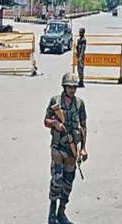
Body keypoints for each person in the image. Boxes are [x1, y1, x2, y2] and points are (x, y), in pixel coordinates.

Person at [43, 73, 88, 224]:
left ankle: (61, 212)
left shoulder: (79, 104)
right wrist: (55, 124)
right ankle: (52, 212)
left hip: (72, 149)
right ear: (64, 87)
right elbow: (46, 121)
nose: (72, 90)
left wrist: (83, 148)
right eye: (70, 87)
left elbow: (83, 126)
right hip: (58, 147)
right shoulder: (55, 101)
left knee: (68, 182)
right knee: (57, 179)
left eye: (74, 87)